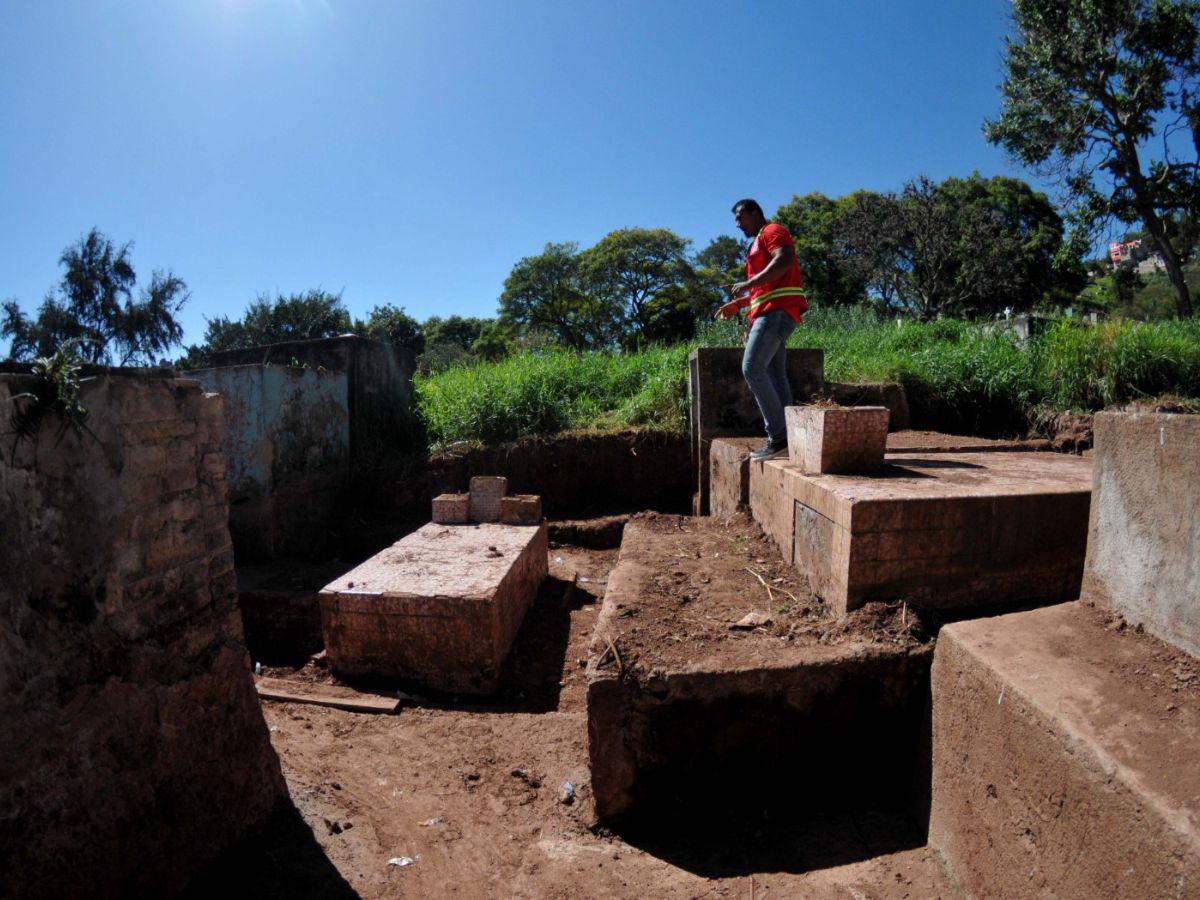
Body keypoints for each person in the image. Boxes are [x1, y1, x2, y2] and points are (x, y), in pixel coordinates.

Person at [716, 198, 808, 460]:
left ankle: (778, 438)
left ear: (756, 213)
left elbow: (784, 260)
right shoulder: (758, 242)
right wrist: (740, 303)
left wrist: (749, 282)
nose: (738, 224)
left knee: (752, 367)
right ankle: (791, 437)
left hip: (775, 314)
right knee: (774, 374)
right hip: (773, 312)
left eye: (741, 218)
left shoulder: (772, 231)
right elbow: (765, 287)